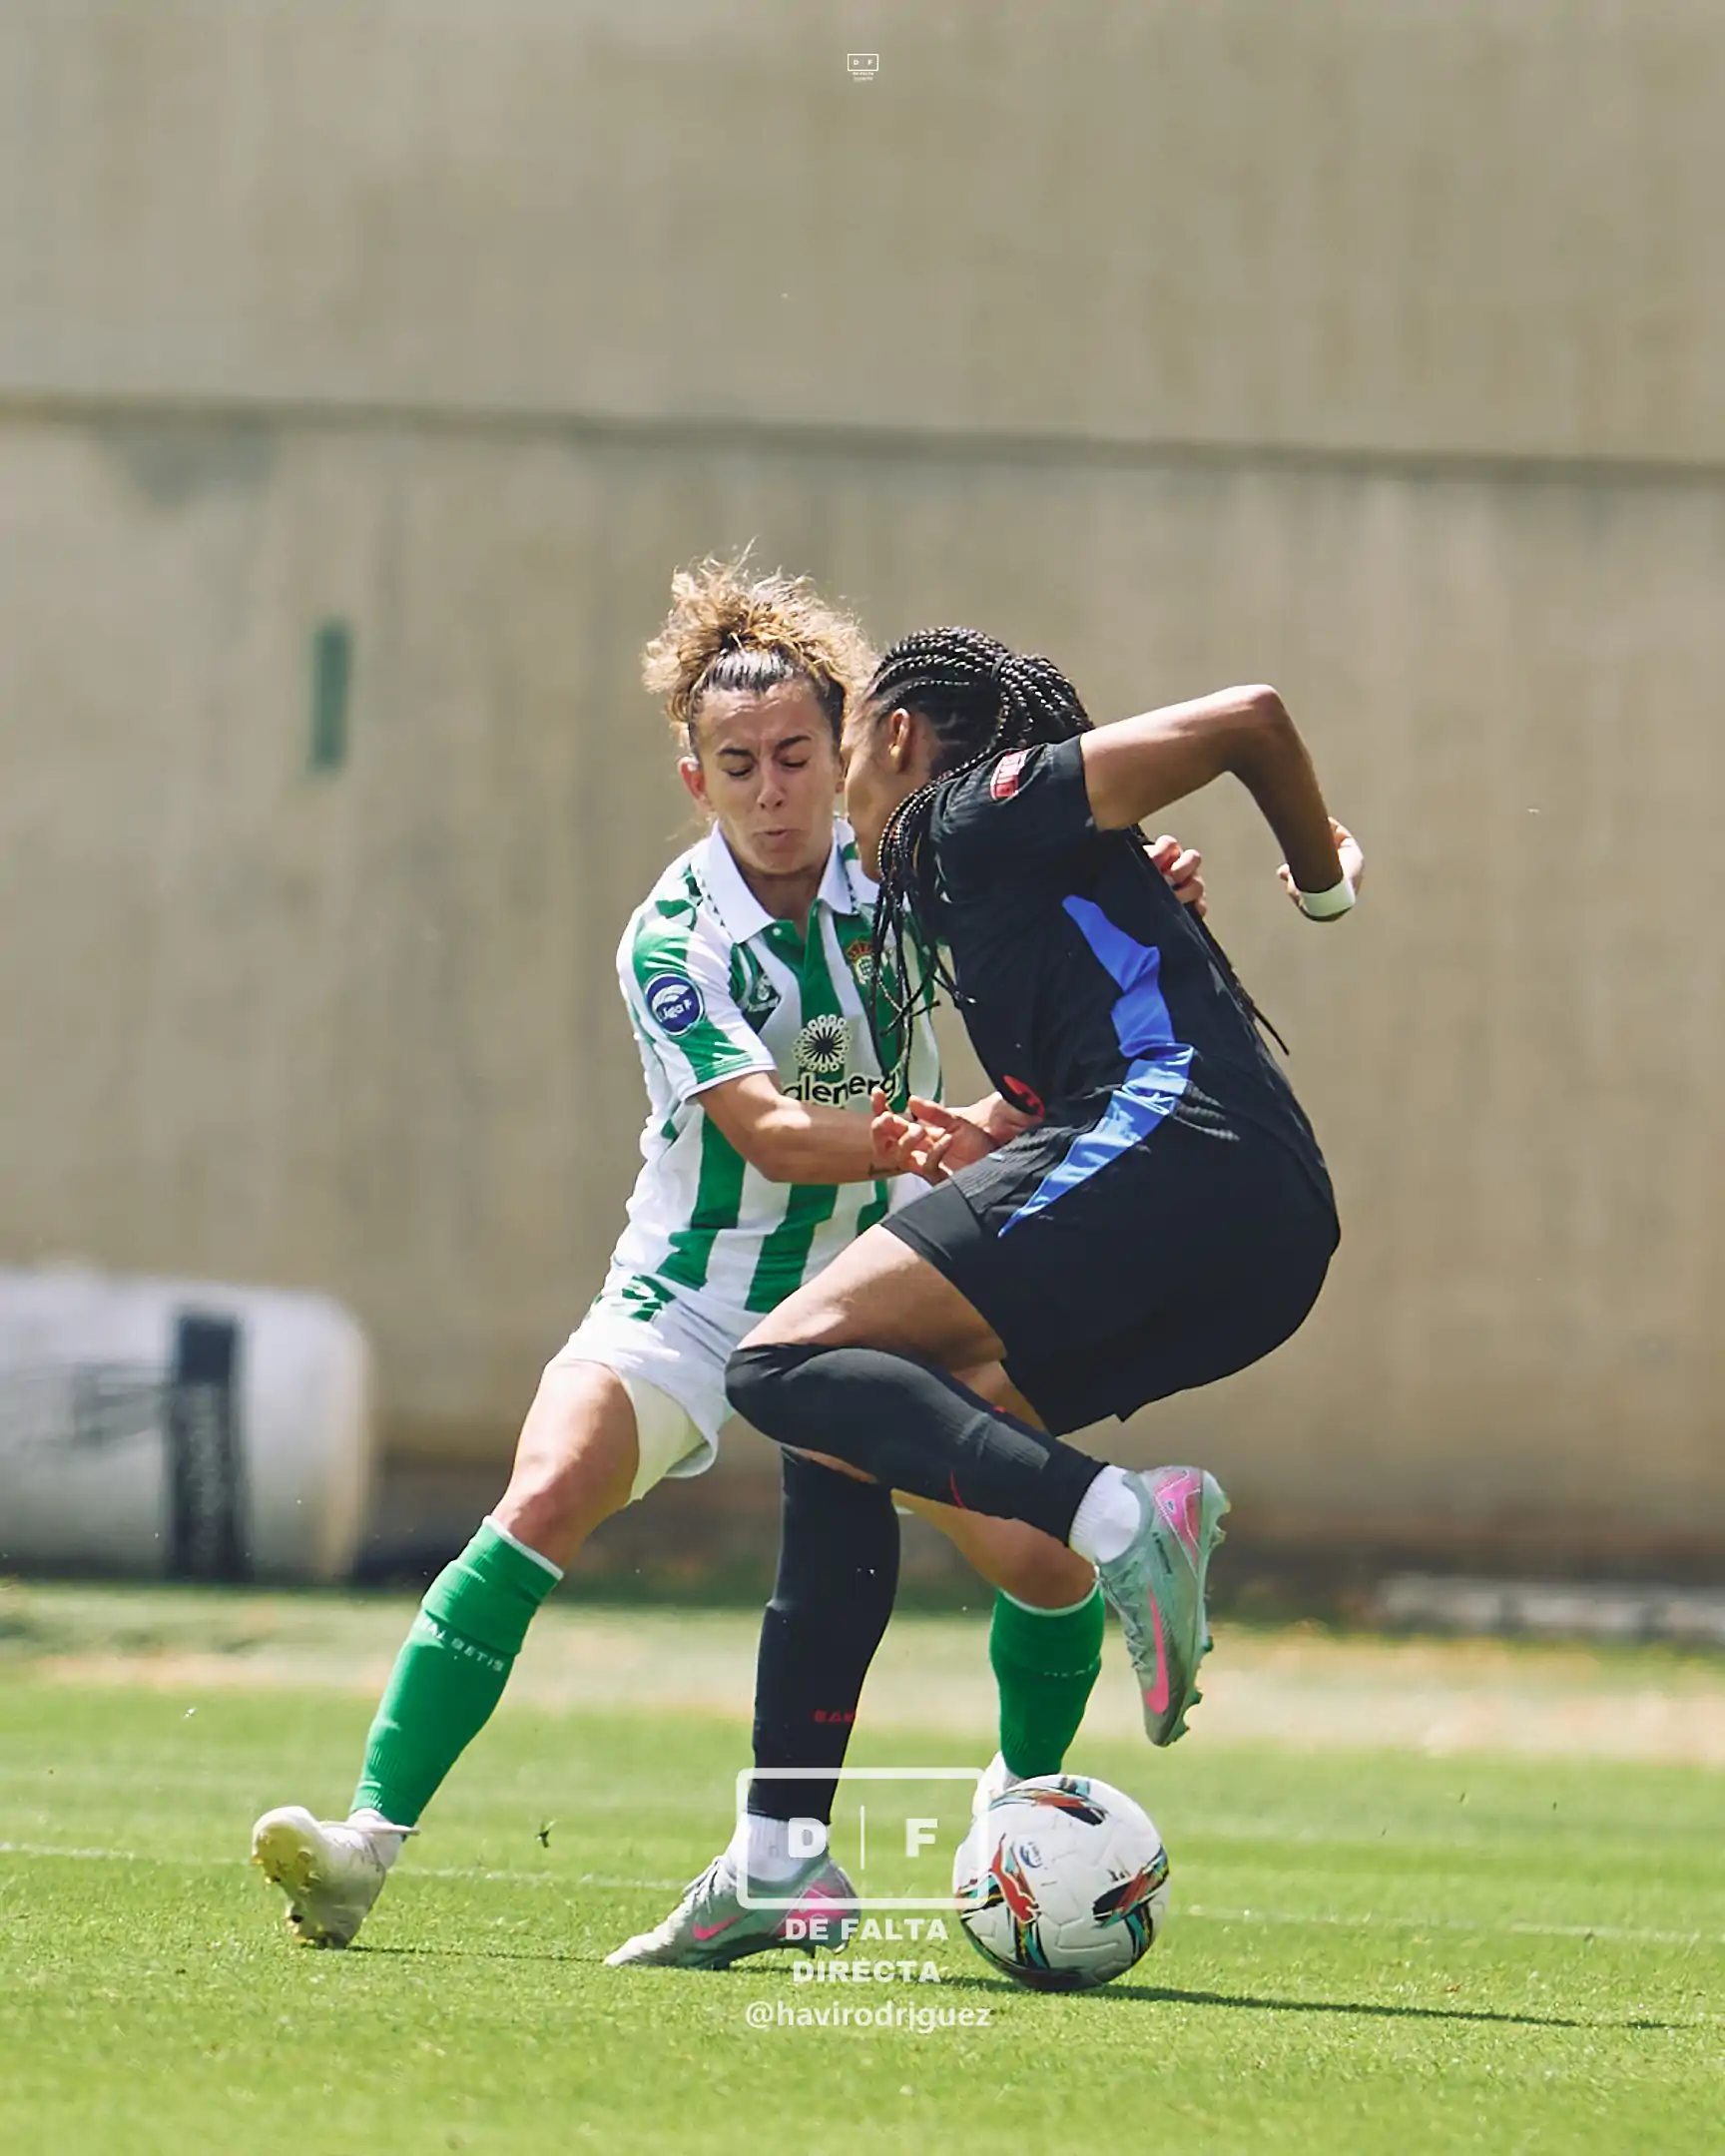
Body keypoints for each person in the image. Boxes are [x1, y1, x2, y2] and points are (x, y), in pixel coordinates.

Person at [250, 566, 1206, 1955]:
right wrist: (915, 1143)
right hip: (690, 1295)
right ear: (695, 780)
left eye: (798, 757)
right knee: (549, 1486)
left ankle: (1014, 1816)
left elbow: (1055, 906)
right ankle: (363, 1847)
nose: (774, 790)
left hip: (878, 1297)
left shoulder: (904, 869)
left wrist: (1142, 888)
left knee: (1047, 1567)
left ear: (847, 752)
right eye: (739, 765)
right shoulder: (676, 938)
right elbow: (760, 1128)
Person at [720, 627, 1362, 1780]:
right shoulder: (1002, 888)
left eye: (847, 747)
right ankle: (790, 1849)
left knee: (780, 1364)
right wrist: (992, 1131)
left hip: (1187, 1148)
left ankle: (1125, 1519)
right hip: (1264, 1241)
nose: (840, 792)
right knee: (857, 1424)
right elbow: (1077, 1070)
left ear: (900, 737)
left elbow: (1251, 717)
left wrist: (1322, 882)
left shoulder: (970, 811)